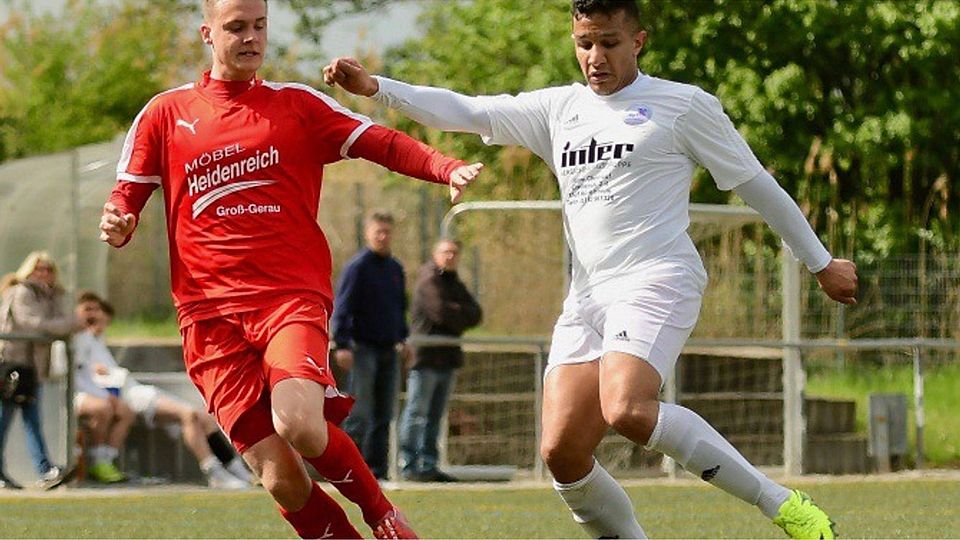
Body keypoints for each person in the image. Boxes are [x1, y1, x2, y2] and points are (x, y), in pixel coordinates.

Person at [323, 0, 858, 538]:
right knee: (562, 452)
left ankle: (780, 502)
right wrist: (377, 88)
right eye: (585, 44)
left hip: (657, 276)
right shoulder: (558, 110)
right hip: (586, 299)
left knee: (626, 406)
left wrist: (819, 261)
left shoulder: (683, 105)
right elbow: (467, 110)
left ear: (639, 41)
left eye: (609, 42)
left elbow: (755, 184)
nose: (595, 56)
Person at [98, 0, 482, 537]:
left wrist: (444, 167)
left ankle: (385, 517)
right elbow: (127, 196)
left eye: (259, 26)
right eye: (236, 27)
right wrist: (119, 222)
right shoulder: (165, 112)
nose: (251, 37)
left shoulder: (297, 105)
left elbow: (378, 141)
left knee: (299, 421)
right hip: (207, 318)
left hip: (287, 299)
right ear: (208, 33)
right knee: (281, 480)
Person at [73, 292, 254, 488]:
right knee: (188, 415)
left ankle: (237, 469)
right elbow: (85, 373)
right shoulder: (80, 339)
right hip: (132, 396)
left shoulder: (97, 339)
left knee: (204, 417)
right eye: (88, 310)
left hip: (135, 390)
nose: (95, 316)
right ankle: (214, 472)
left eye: (98, 311)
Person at [331, 212, 409, 481]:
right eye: (379, 231)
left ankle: (377, 472)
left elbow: (399, 307)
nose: (383, 237)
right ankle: (351, 471)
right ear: (368, 233)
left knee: (384, 413)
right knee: (360, 412)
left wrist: (403, 338)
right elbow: (342, 307)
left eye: (388, 231)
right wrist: (341, 343)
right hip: (363, 349)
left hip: (389, 349)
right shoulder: (357, 267)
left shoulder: (395, 268)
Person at [398, 239, 482, 483]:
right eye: (446, 252)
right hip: (425, 359)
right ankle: (410, 464)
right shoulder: (428, 280)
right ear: (435, 254)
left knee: (435, 416)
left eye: (455, 252)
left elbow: (476, 314)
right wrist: (459, 312)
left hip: (448, 360)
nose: (451, 257)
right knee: (417, 412)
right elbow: (440, 313)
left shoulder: (455, 283)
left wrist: (457, 311)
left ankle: (429, 464)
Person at [0, 252, 80, 490]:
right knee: (5, 419)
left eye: (48, 269)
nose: (43, 274)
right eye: (39, 269)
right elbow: (33, 324)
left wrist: (66, 324)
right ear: (29, 270)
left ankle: (45, 470)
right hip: (13, 368)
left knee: (31, 420)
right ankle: (44, 469)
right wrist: (70, 325)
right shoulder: (23, 292)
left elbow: (59, 321)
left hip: (32, 370)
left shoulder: (52, 295)